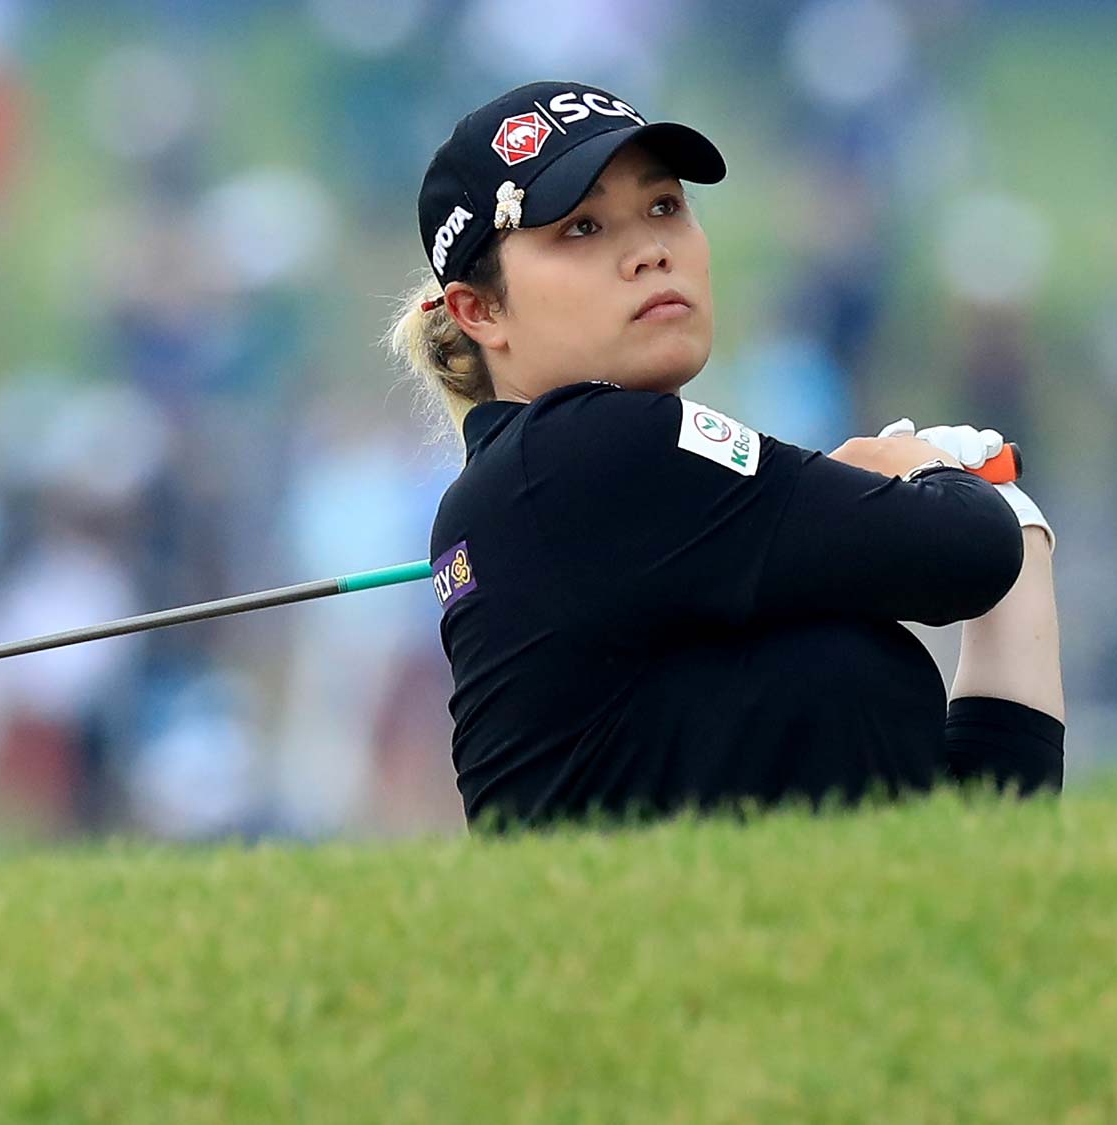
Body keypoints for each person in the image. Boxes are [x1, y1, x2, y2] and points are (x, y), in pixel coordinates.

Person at [388, 82, 1065, 829]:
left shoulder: (563, 485)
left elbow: (988, 835)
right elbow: (963, 551)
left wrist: (1020, 533)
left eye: (664, 207)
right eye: (581, 228)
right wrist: (916, 465)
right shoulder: (581, 448)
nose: (649, 251)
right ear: (478, 310)